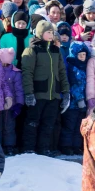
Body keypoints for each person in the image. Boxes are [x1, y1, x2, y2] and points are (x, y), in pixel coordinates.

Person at [21, 20, 70, 156]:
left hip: (53, 95)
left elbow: (62, 72)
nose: (51, 34)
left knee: (48, 124)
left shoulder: (56, 50)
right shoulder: (32, 50)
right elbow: (27, 73)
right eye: (48, 32)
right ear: (40, 33)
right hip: (38, 94)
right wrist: (29, 93)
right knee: (32, 122)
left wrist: (65, 92)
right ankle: (29, 149)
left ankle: (44, 149)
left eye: (52, 32)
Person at [60, 41, 90, 155]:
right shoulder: (72, 67)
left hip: (82, 103)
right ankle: (66, 145)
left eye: (84, 55)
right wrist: (79, 99)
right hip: (73, 103)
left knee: (79, 126)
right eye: (80, 55)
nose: (82, 57)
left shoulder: (85, 67)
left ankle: (76, 146)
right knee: (69, 125)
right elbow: (73, 84)